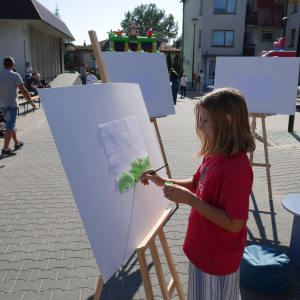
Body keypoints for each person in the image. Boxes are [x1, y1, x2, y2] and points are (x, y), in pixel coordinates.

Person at [139, 88, 256, 300]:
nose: (200, 127)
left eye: (205, 121)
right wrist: (162, 181)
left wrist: (191, 201)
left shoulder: (236, 168)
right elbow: (196, 182)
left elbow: (235, 223)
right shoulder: (215, 152)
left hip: (216, 261)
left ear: (227, 121)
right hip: (202, 252)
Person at [0, 57, 36, 156]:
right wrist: (31, 103)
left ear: (3, 64)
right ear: (13, 65)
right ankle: (5, 149)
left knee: (11, 125)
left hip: (2, 104)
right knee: (9, 126)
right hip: (12, 104)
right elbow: (24, 90)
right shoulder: (15, 75)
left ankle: (17, 143)